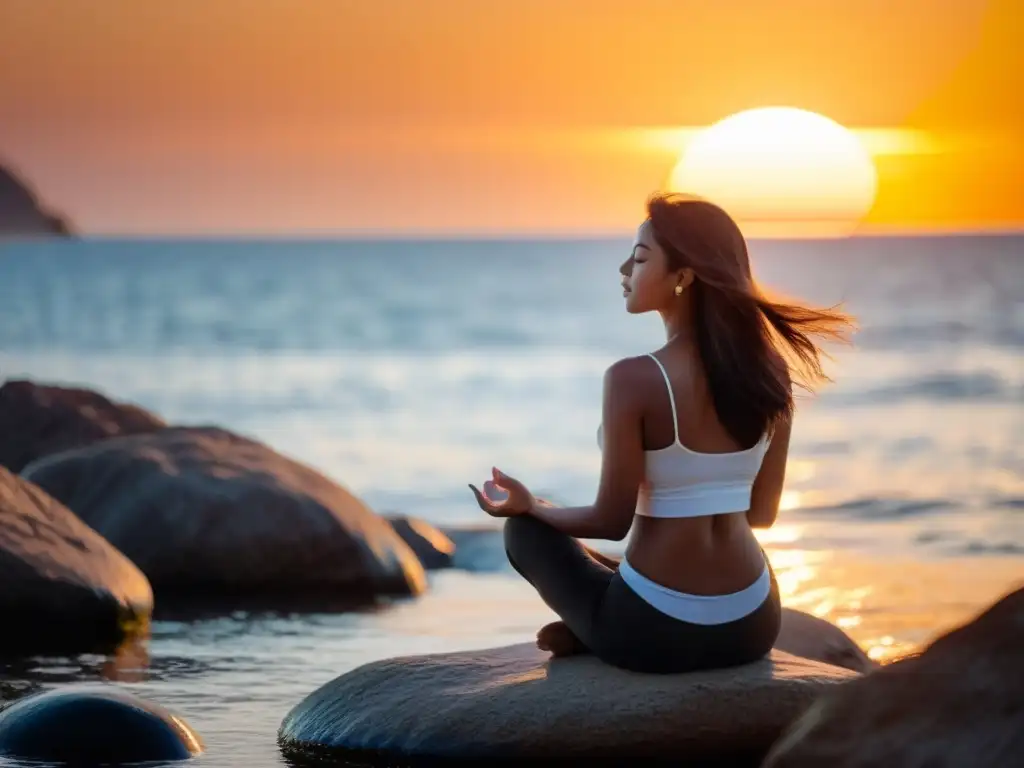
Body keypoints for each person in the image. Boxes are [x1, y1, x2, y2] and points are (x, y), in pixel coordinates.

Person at [469, 193, 854, 674]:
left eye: (641, 256)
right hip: (753, 623)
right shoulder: (770, 371)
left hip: (656, 632)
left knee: (525, 532)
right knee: (606, 564)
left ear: (683, 277)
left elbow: (612, 522)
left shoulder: (634, 378)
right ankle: (598, 622)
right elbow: (762, 514)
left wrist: (534, 507)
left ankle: (598, 630)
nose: (623, 268)